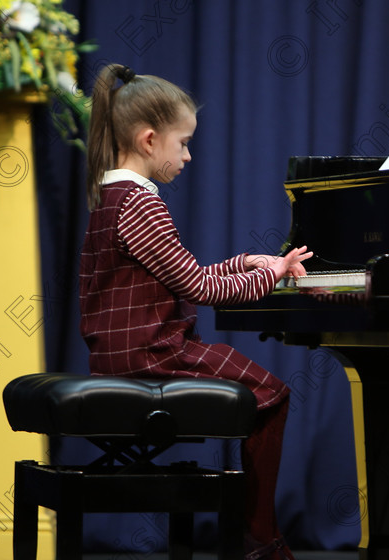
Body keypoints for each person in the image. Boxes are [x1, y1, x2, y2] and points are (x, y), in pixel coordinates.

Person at [79, 63, 311, 560]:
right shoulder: (140, 204)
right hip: (152, 356)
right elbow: (198, 286)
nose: (187, 155)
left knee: (259, 388)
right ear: (148, 139)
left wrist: (246, 261)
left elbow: (178, 274)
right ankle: (261, 539)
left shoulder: (111, 196)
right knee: (272, 393)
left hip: (121, 354)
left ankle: (253, 532)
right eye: (182, 143)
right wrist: (273, 273)